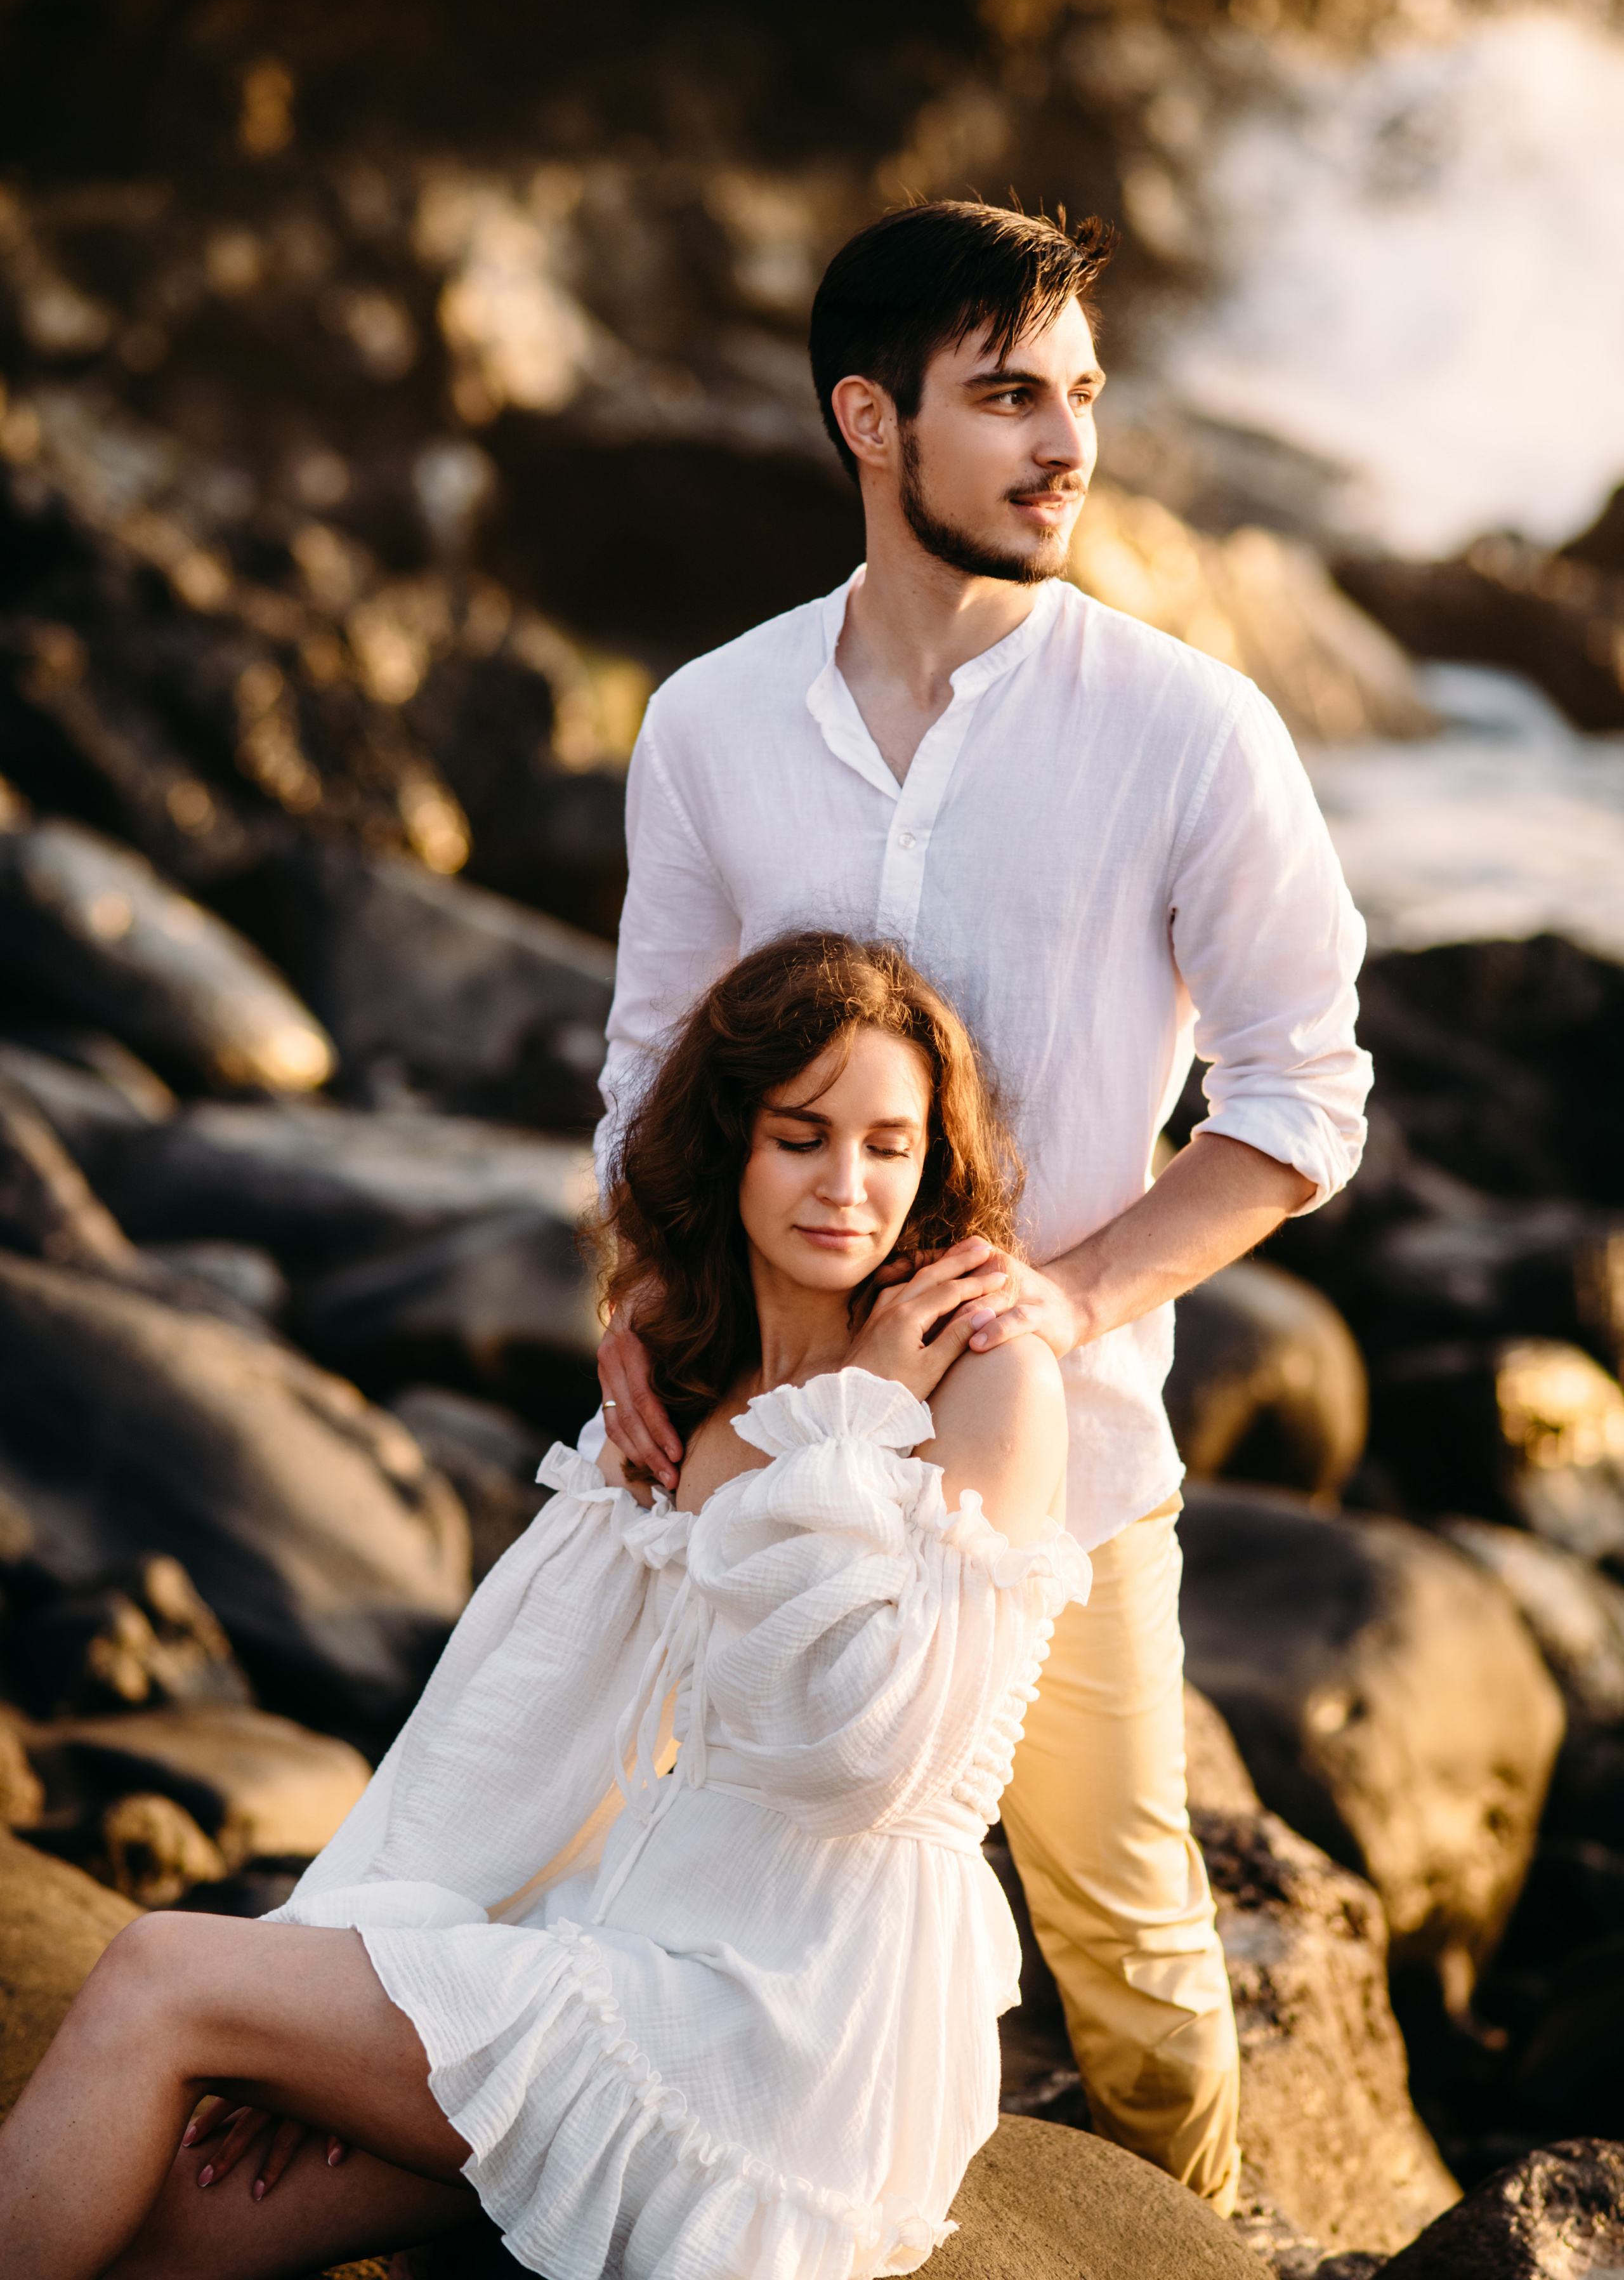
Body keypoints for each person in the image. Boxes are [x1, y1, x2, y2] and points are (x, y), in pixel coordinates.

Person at [593, 199, 1372, 2215]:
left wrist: (1067, 1296)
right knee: (668, 1886)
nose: (1069, 444)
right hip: (752, 1446)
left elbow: (1304, 1095)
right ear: (874, 420)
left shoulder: (1192, 729)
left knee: (1128, 1950)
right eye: (1009, 393)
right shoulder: (712, 721)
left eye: (1085, 393)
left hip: (1066, 1479)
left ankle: (1183, 2258)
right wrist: (629, 1299)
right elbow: (656, 1074)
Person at [0, 931, 1082, 2280]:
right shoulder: (683, 1380)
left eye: (888, 1145)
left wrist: (850, 1425)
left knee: (161, 1972)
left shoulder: (985, 1387)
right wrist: (322, 1990)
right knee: (173, 2231)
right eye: (801, 1137)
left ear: (936, 1160)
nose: (846, 1188)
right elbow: (517, 1717)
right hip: (613, 1950)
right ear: (727, 1145)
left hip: (794, 2025)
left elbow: (857, 1752)